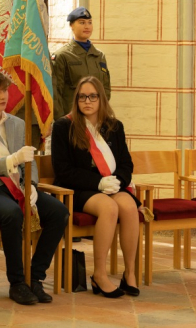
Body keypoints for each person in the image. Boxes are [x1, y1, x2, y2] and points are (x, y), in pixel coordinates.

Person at [0, 70, 68, 305]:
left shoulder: (18, 123)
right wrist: (13, 160)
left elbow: (30, 161)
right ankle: (17, 283)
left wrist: (33, 185)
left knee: (59, 212)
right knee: (12, 213)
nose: (3, 96)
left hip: (18, 185)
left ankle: (35, 277)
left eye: (5, 90)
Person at [52, 76, 139, 298]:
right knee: (109, 208)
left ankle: (129, 273)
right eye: (82, 97)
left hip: (111, 185)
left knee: (129, 207)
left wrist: (117, 180)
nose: (87, 101)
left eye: (92, 96)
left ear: (101, 98)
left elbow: (126, 162)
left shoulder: (114, 126)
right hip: (78, 189)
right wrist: (98, 182)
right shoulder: (64, 126)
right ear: (76, 100)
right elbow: (63, 170)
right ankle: (99, 275)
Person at [52, 7, 111, 121]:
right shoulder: (62, 56)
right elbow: (56, 92)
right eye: (82, 22)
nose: (87, 26)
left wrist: (100, 111)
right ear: (71, 26)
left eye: (89, 22)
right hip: (72, 119)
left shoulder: (99, 56)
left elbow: (105, 89)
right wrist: (61, 120)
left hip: (95, 118)